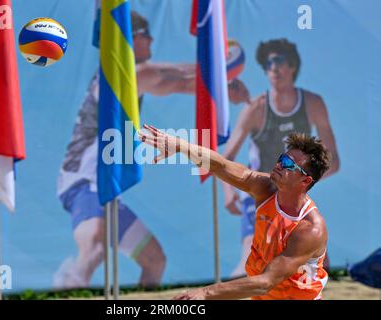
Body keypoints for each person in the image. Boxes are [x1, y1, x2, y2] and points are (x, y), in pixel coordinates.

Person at [53, 11, 249, 289]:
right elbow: (177, 78)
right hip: (84, 183)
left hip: (103, 188)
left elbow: (177, 78)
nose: (152, 38)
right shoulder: (126, 72)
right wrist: (221, 64)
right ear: (130, 38)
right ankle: (65, 288)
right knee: (94, 250)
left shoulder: (126, 72)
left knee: (154, 260)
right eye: (145, 32)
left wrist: (220, 77)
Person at [139, 124, 331, 300]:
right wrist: (181, 146)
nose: (280, 164)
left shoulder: (310, 229)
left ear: (305, 181)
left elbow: (266, 282)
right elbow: (220, 165)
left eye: (289, 165)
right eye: (282, 159)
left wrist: (205, 293)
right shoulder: (265, 188)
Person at [222, 38, 339, 277]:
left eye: (279, 60)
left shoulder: (313, 103)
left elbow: (333, 161)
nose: (272, 67)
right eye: (267, 63)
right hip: (260, 193)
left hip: (291, 199)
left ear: (293, 66)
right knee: (247, 264)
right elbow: (228, 156)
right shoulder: (256, 108)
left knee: (316, 268)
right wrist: (228, 192)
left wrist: (297, 185)